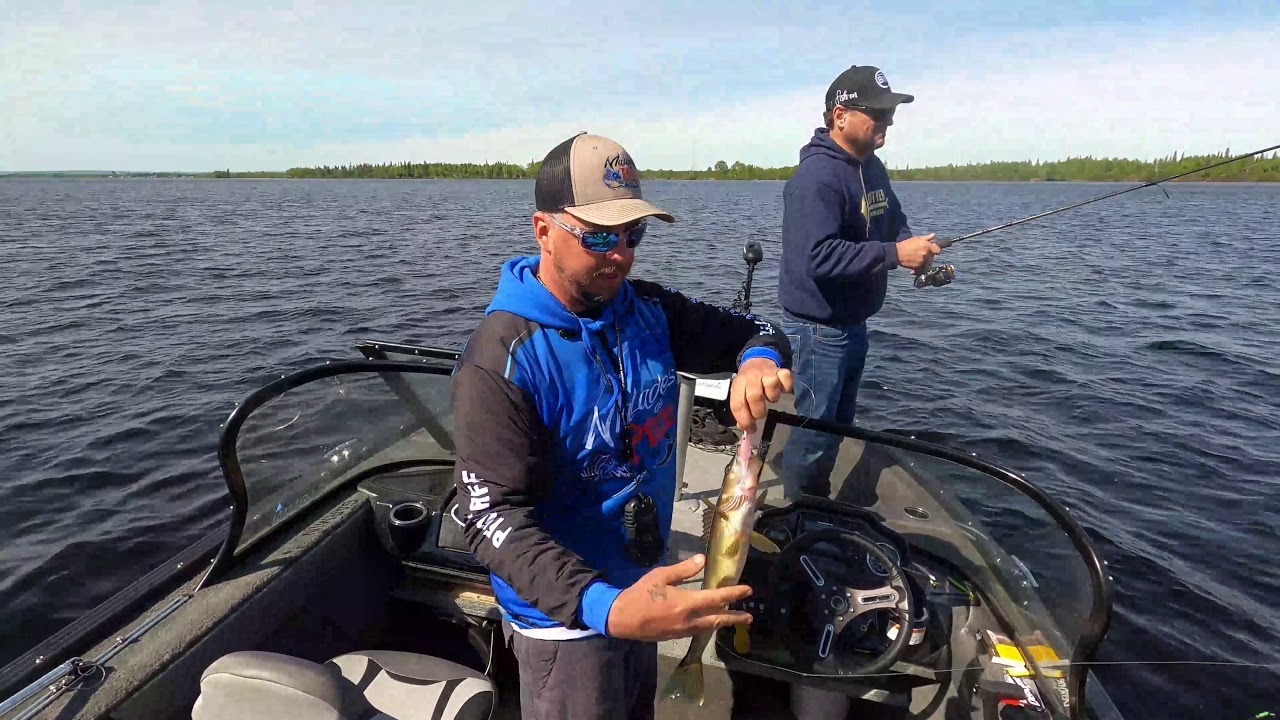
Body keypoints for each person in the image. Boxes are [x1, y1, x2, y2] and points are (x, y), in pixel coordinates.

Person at [449, 131, 794, 720]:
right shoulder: (502, 356)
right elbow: (488, 517)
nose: (622, 255)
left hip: (647, 589)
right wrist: (606, 608)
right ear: (543, 231)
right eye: (600, 235)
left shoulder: (646, 307)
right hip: (567, 621)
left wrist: (759, 360)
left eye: (634, 234)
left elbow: (757, 329)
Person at [773, 64, 942, 501]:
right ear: (840, 115)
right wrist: (893, 255)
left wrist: (910, 249)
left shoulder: (873, 167)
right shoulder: (816, 179)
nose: (887, 121)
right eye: (877, 112)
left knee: (837, 425)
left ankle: (815, 506)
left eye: (890, 113)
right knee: (815, 434)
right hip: (817, 331)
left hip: (852, 325)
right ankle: (799, 516)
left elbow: (892, 221)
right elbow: (817, 256)